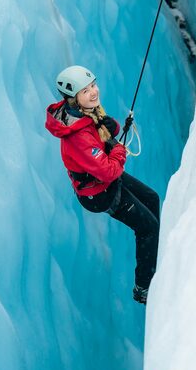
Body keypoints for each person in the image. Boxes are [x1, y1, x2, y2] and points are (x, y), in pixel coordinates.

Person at [45, 65, 160, 304]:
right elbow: (109, 170)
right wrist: (118, 150)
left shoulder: (87, 114)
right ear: (73, 99)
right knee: (147, 227)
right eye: (85, 91)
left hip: (105, 179)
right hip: (99, 193)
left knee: (152, 198)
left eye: (93, 86)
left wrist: (113, 129)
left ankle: (154, 255)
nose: (93, 92)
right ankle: (144, 288)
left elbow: (107, 132)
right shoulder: (77, 138)